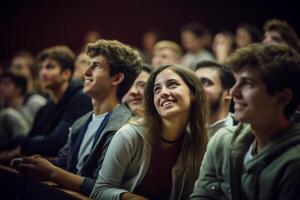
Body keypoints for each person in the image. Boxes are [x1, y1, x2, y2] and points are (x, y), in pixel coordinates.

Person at [11, 39, 142, 196]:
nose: (86, 72)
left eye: (97, 66)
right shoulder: (81, 122)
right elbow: (64, 163)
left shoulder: (123, 127)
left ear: (116, 78)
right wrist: (34, 163)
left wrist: (52, 172)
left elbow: (103, 190)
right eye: (89, 64)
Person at [190, 43, 300, 200]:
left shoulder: (294, 165)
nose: (234, 92)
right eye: (236, 81)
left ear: (283, 98)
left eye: (248, 83)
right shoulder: (223, 141)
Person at [91, 64, 208, 200]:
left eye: (172, 84)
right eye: (157, 89)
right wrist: (130, 198)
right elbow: (99, 190)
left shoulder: (196, 143)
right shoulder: (129, 135)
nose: (163, 92)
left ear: (193, 93)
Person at [0, 45, 92, 160]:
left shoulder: (81, 98)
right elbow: (28, 138)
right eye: (41, 68)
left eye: (50, 67)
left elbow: (57, 142)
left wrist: (21, 149)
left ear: (66, 74)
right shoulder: (46, 107)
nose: (43, 72)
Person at [194, 60, 236, 137]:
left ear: (229, 92)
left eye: (206, 82)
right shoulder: (182, 131)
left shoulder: (245, 134)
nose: (196, 89)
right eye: (193, 83)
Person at [0, 72, 30, 144]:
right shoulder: (5, 108)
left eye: (6, 84)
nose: (1, 88)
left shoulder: (33, 103)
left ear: (18, 88)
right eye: (1, 84)